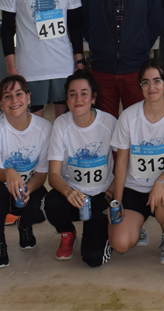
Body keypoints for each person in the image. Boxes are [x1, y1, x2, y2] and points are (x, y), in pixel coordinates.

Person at [108, 59, 164, 264]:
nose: (151, 87)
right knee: (121, 244)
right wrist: (117, 202)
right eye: (146, 82)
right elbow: (122, 162)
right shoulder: (128, 117)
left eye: (157, 81)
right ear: (141, 86)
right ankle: (137, 226)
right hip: (134, 187)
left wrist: (159, 182)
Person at [79, 0, 163, 119]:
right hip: (102, 69)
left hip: (135, 68)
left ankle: (130, 152)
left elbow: (156, 21)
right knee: (104, 123)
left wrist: (140, 47)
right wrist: (98, 45)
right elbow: (84, 22)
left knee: (135, 121)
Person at [0, 75, 53, 269]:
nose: (14, 100)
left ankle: (25, 224)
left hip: (27, 188)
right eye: (7, 96)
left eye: (19, 94)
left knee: (43, 205)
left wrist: (27, 189)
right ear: (1, 104)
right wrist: (9, 172)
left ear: (28, 97)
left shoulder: (44, 128)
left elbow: (42, 173)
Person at [43, 71, 117, 267]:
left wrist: (111, 195)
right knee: (50, 202)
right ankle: (68, 233)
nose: (78, 99)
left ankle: (105, 230)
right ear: (66, 100)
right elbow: (53, 175)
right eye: (72, 94)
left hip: (102, 196)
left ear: (93, 98)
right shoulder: (61, 124)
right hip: (74, 196)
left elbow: (125, 164)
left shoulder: (109, 122)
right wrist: (68, 191)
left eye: (84, 93)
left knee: (93, 258)